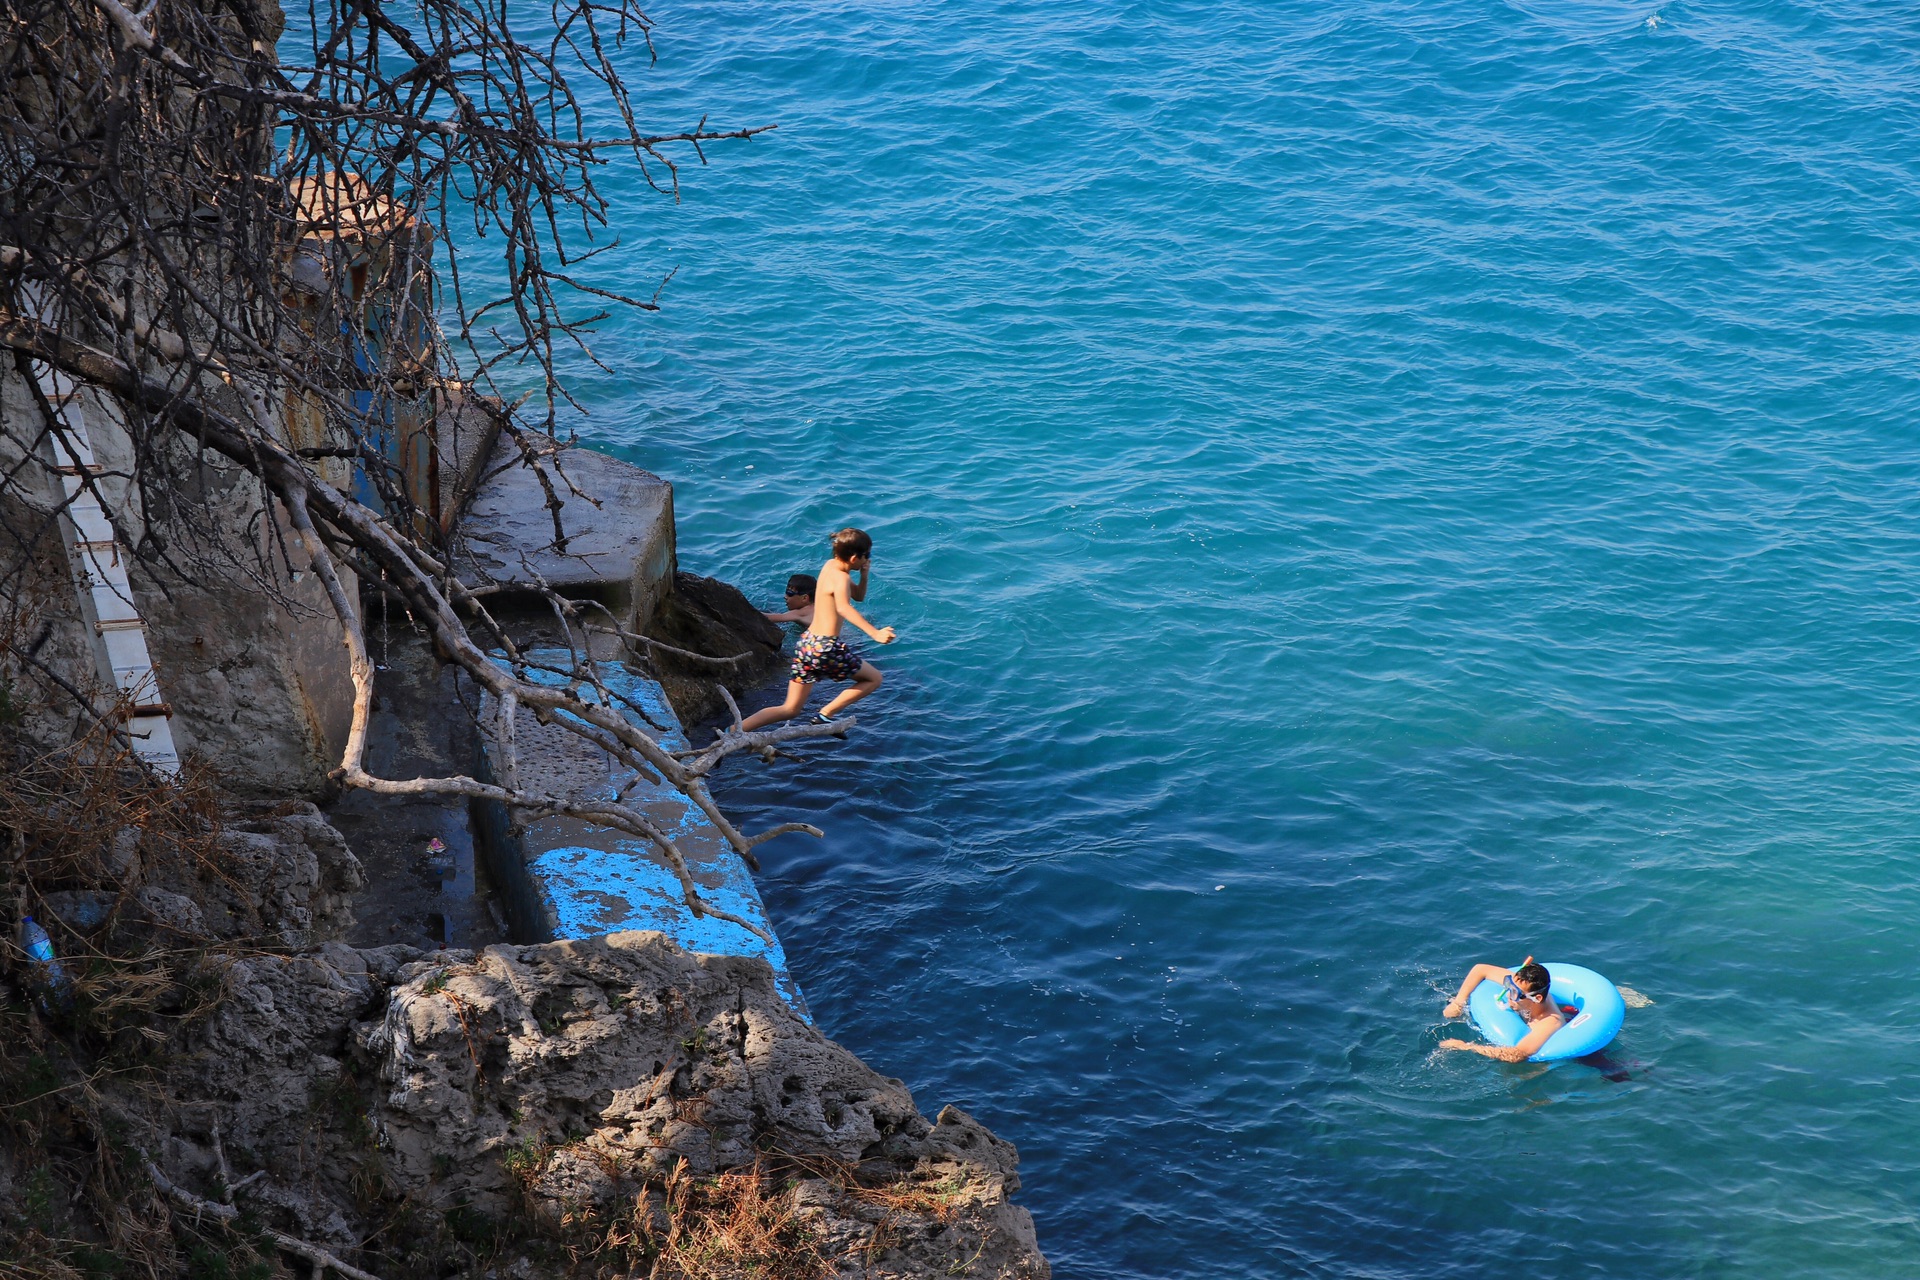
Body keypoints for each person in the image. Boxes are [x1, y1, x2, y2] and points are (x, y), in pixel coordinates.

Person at [739, 528, 895, 731]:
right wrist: (875, 633)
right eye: (868, 556)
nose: (868, 559)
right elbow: (843, 607)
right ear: (855, 557)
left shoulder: (831, 567)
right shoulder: (841, 578)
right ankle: (825, 714)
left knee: (790, 709)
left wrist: (864, 575)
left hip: (807, 644)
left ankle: (734, 731)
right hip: (825, 647)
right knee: (874, 678)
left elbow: (858, 596)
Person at [1437, 956, 1565, 1062]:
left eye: (1515, 993)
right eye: (1509, 986)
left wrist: (1465, 1046)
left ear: (1536, 998)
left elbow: (1517, 1054)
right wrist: (1458, 1003)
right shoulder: (1522, 983)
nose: (1509, 995)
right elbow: (1480, 969)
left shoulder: (1549, 1023)